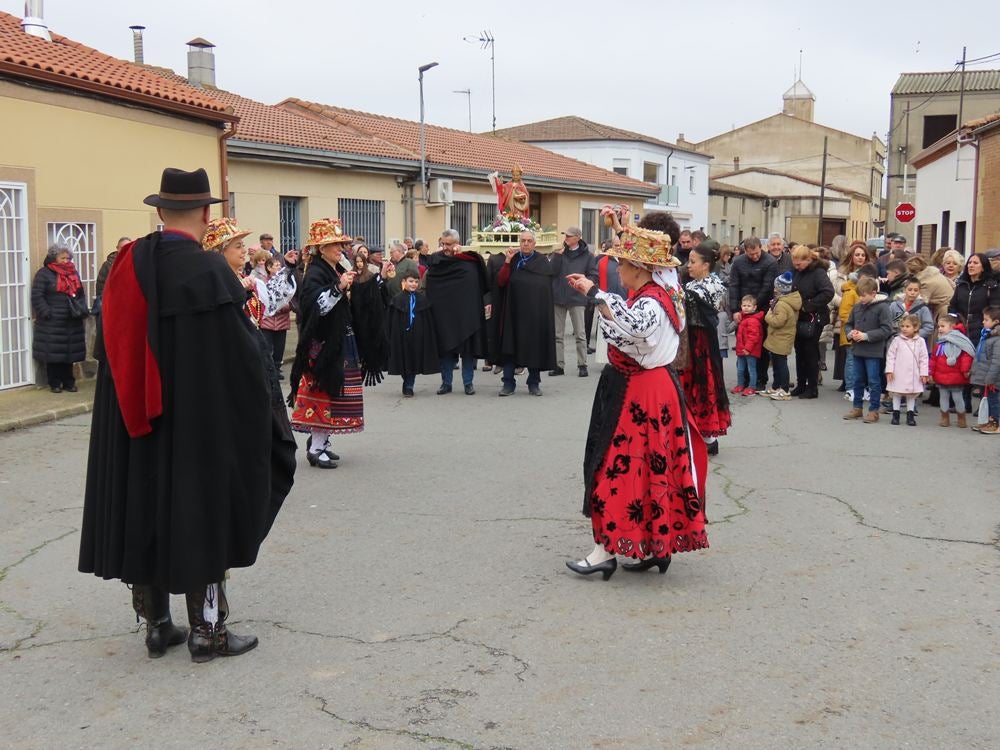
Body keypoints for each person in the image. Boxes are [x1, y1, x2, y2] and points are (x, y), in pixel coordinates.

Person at [79, 167, 295, 662]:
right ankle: (208, 633)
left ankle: (157, 625)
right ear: (205, 213)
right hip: (198, 423)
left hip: (135, 420)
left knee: (144, 506)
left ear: (158, 212)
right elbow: (245, 358)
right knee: (203, 512)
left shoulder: (124, 266)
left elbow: (105, 350)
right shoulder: (209, 271)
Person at [565, 223, 707, 580]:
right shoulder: (665, 291)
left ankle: (604, 552)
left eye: (623, 263)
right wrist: (621, 225)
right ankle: (655, 547)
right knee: (649, 474)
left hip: (640, 393)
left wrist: (595, 292)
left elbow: (633, 326)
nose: (618, 269)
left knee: (617, 471)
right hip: (652, 389)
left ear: (642, 270)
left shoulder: (651, 303)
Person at [288, 218, 383, 468]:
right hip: (324, 344)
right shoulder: (316, 273)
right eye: (335, 244)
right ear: (321, 248)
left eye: (342, 244)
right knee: (325, 391)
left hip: (339, 340)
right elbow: (315, 307)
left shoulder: (334, 269)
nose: (341, 248)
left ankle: (322, 444)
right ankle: (316, 448)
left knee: (334, 393)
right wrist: (338, 288)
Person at [680, 242, 731, 455]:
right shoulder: (691, 285)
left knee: (703, 386)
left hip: (702, 342)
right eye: (688, 261)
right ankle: (690, 433)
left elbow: (696, 302)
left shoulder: (713, 285)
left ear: (706, 265)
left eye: (693, 262)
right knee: (686, 386)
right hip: (688, 340)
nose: (688, 266)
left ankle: (709, 437)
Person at [424, 228, 489, 395]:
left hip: (466, 313)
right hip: (444, 314)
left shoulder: (469, 261)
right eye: (443, 244)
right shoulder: (437, 262)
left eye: (448, 244)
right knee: (445, 348)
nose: (445, 247)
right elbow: (431, 284)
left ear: (457, 244)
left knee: (468, 350)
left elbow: (479, 285)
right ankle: (446, 383)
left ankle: (468, 383)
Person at [494, 231, 556, 396]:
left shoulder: (542, 262)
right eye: (523, 241)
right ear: (519, 243)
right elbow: (501, 281)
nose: (526, 244)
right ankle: (508, 383)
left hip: (535, 314)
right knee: (510, 347)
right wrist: (507, 261)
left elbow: (545, 290)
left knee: (534, 348)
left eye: (529, 241)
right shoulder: (513, 259)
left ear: (534, 244)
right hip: (513, 313)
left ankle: (533, 383)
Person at [31, 245, 88, 393]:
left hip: (71, 319)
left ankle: (69, 381)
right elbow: (37, 296)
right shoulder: (44, 274)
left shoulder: (73, 273)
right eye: (62, 258)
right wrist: (47, 312)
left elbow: (80, 293)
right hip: (52, 321)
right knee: (54, 354)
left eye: (68, 258)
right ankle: (55, 383)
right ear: (53, 258)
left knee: (69, 353)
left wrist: (81, 309)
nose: (66, 261)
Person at [728, 236, 778, 390]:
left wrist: (754, 306)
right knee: (742, 343)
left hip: (761, 308)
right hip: (743, 307)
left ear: (760, 248)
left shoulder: (770, 262)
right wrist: (736, 309)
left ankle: (760, 379)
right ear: (746, 251)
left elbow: (768, 286)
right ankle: (743, 379)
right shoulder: (738, 262)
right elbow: (734, 285)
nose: (755, 256)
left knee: (759, 345)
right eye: (751, 254)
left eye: (757, 253)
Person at [548, 226, 598, 377]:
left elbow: (593, 276)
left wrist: (583, 284)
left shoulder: (588, 256)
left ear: (578, 237)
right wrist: (556, 256)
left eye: (569, 236)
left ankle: (582, 365)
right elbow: (551, 272)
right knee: (557, 334)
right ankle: (558, 366)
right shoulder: (559, 253)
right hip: (559, 297)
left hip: (577, 298)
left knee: (580, 334)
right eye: (565, 235)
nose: (566, 238)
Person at [843, 276, 892, 423]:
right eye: (860, 295)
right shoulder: (857, 307)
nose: (861, 298)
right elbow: (848, 324)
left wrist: (866, 336)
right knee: (857, 380)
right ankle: (857, 407)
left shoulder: (883, 307)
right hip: (857, 349)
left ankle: (873, 410)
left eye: (863, 295)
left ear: (873, 293)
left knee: (873, 381)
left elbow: (886, 329)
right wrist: (850, 333)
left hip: (873, 351)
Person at [385, 269, 439, 397]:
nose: (413, 284)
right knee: (404, 360)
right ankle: (406, 380)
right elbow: (391, 320)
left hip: (417, 335)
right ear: (404, 282)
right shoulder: (397, 299)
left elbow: (428, 320)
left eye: (416, 281)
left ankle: (409, 385)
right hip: (401, 336)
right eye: (410, 281)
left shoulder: (422, 299)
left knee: (414, 360)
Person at [790, 245, 834, 399]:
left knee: (810, 352)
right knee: (799, 351)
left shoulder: (818, 273)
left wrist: (809, 305)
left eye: (799, 264)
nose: (796, 267)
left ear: (808, 260)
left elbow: (828, 292)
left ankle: (812, 387)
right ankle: (801, 384)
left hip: (815, 317)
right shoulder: (797, 271)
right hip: (799, 317)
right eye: (794, 263)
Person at [929, 313, 974, 428]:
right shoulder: (940, 343)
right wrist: (931, 373)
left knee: (957, 397)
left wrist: (965, 370)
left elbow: (966, 356)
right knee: (943, 397)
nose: (939, 329)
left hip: (956, 376)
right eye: (939, 326)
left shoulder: (960, 341)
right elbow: (934, 359)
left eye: (943, 326)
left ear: (952, 326)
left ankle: (961, 417)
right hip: (941, 376)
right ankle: (944, 417)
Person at [885, 314, 929, 426]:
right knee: (896, 393)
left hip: (913, 373)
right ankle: (896, 414)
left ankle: (910, 415)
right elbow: (891, 355)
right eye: (903, 326)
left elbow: (924, 358)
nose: (904, 328)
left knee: (911, 394)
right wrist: (889, 370)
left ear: (915, 328)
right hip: (898, 372)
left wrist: (924, 373)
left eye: (908, 326)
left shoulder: (920, 341)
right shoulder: (897, 340)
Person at [763, 272, 801, 401]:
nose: (774, 289)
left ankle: (784, 389)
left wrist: (768, 314)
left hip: (781, 337)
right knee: (777, 363)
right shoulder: (784, 301)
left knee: (781, 364)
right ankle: (776, 386)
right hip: (781, 337)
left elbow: (777, 321)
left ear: (781, 289)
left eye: (776, 287)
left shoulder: (783, 304)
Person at [260, 256, 293, 378]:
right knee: (267, 347)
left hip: (282, 321)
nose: (279, 267)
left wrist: (282, 307)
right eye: (276, 265)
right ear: (268, 268)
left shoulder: (286, 282)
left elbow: (290, 300)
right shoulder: (263, 282)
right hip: (267, 322)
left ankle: (277, 369)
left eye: (280, 265)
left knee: (279, 347)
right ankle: (268, 369)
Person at [969, 306, 1000, 434]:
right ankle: (987, 421)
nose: (983, 322)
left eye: (986, 319)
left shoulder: (997, 340)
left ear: (996, 322)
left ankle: (995, 423)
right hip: (984, 376)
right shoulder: (986, 336)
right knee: (985, 399)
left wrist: (990, 378)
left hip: (992, 378)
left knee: (993, 401)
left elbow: (996, 361)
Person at [730, 295, 764, 396]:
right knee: (740, 369)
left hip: (750, 351)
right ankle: (740, 385)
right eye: (744, 305)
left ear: (754, 307)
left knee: (751, 369)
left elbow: (753, 337)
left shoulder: (753, 320)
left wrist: (747, 348)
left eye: (749, 306)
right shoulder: (743, 318)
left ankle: (752, 387)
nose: (746, 307)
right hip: (741, 350)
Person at [889, 276, 934, 342]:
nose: (912, 293)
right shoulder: (894, 305)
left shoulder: (923, 308)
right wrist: (896, 335)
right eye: (910, 290)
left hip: (914, 343)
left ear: (919, 291)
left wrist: (914, 335)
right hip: (895, 341)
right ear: (904, 290)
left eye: (915, 290)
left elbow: (929, 327)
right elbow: (888, 323)